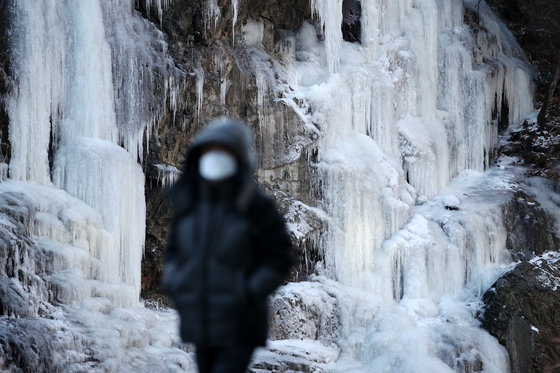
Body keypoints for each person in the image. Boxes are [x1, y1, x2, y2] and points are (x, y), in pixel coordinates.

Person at [162, 118, 293, 373]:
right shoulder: (190, 207)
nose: (215, 158)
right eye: (209, 152)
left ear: (238, 159)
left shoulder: (255, 206)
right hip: (200, 322)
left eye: (223, 152)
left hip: (239, 325)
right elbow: (175, 253)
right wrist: (175, 281)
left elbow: (279, 257)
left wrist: (247, 292)